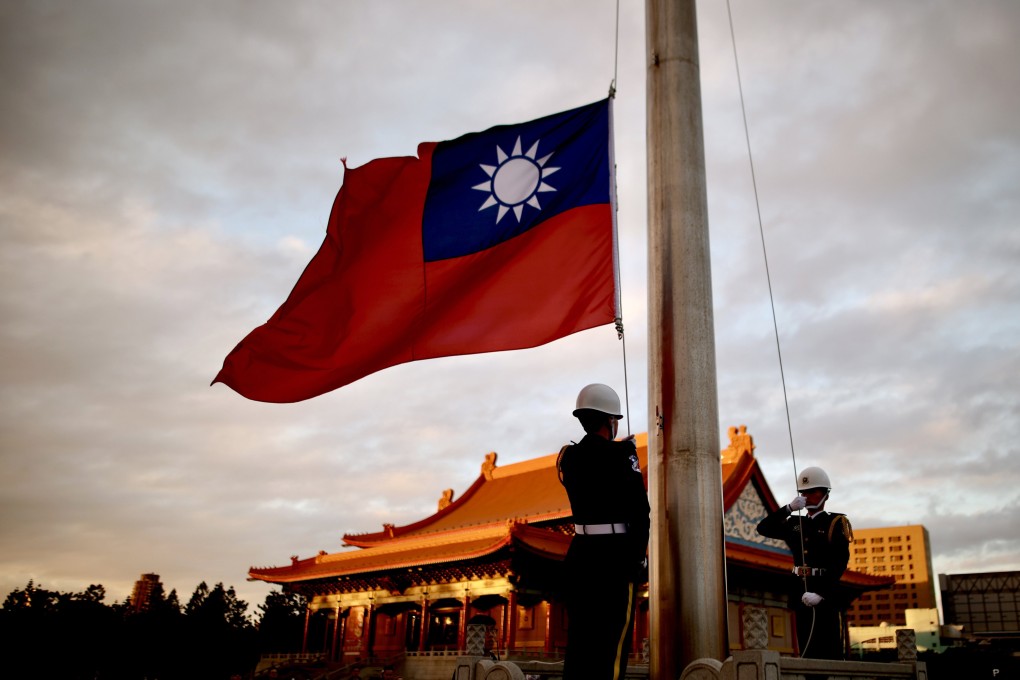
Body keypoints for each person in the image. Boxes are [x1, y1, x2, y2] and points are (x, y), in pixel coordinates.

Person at [557, 383, 650, 680]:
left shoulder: (568, 457)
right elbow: (641, 513)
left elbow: (591, 462)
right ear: (610, 421)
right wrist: (638, 559)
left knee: (580, 644)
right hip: (614, 559)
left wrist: (621, 450)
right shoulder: (622, 455)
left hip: (580, 556)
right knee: (612, 644)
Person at [756, 466, 853, 660]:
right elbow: (763, 528)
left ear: (825, 495)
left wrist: (821, 593)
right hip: (800, 589)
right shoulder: (795, 523)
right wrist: (788, 508)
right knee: (806, 648)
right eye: (804, 492)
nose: (808, 496)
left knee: (828, 649)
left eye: (813, 491)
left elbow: (840, 562)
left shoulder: (835, 523)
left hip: (823, 592)